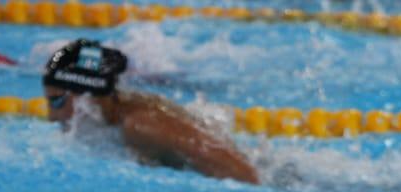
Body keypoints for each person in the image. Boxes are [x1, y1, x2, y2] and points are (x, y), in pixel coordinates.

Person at [42, 39, 259, 184]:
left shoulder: (141, 125)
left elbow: (243, 173)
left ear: (87, 97)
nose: (52, 117)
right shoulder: (120, 110)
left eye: (57, 101)